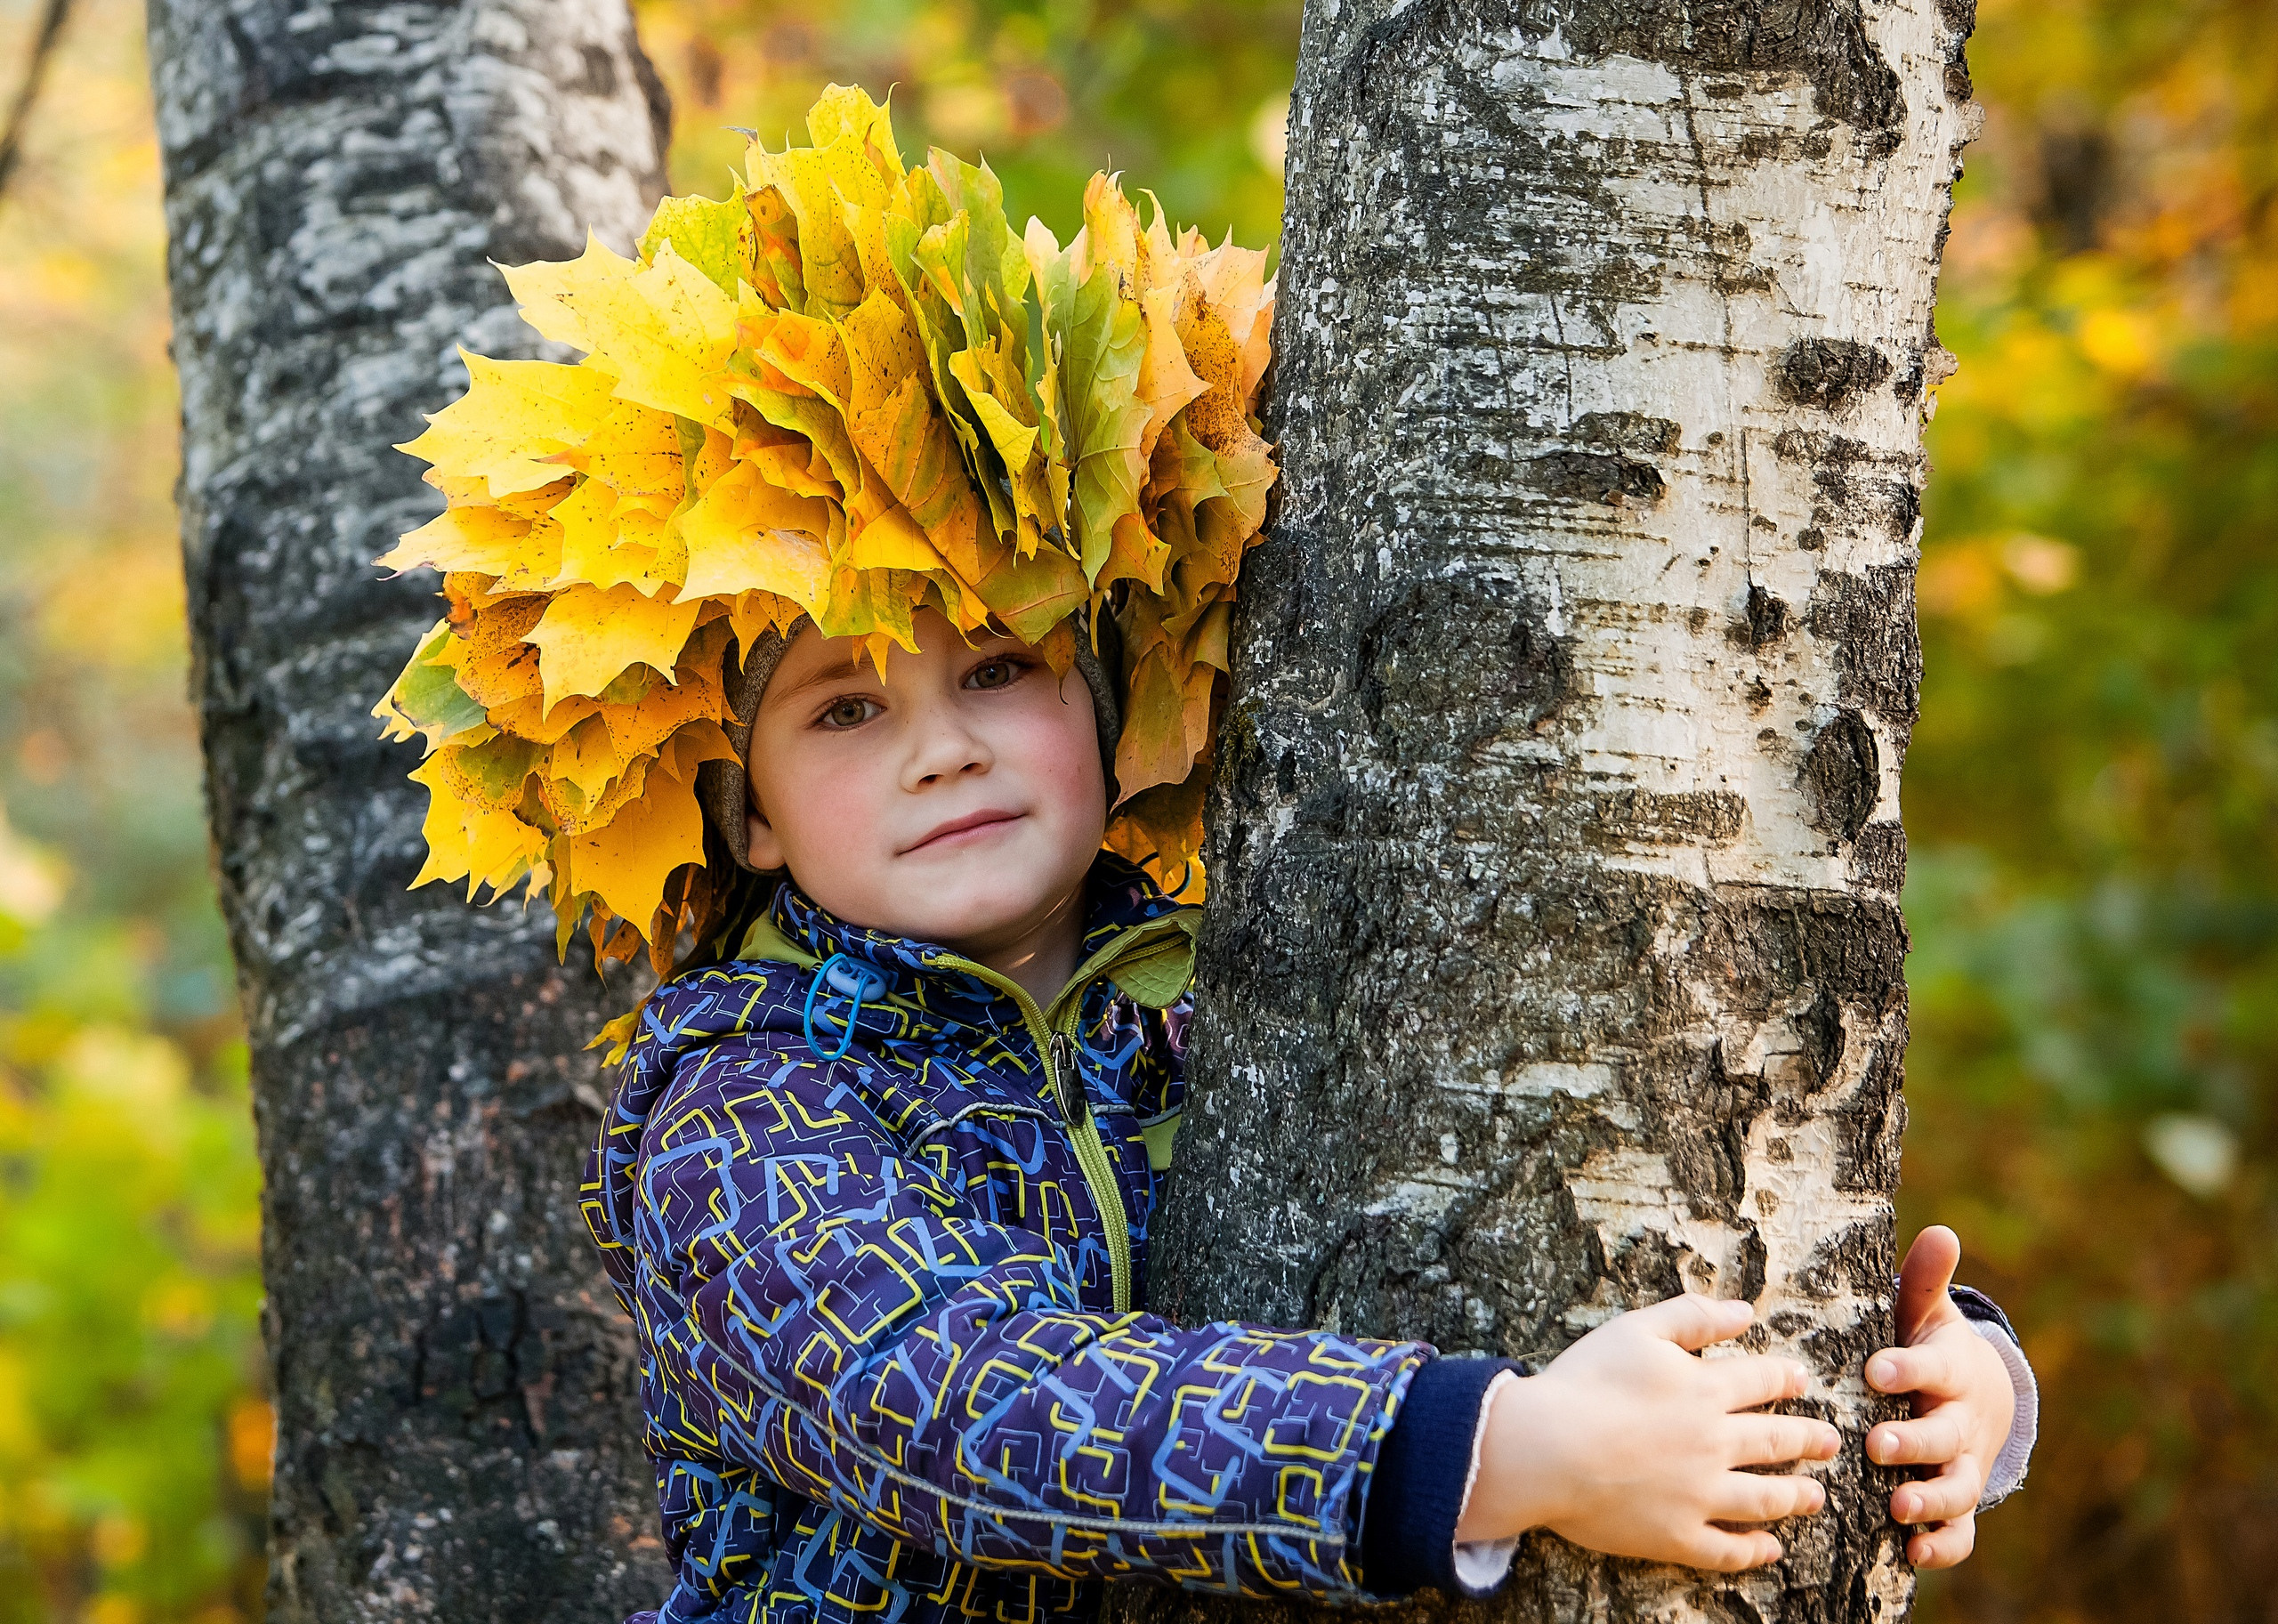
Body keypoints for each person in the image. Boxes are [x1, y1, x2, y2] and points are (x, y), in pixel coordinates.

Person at [579, 607, 2039, 1623]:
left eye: (1000, 665)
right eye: (845, 707)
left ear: (1107, 702)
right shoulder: (740, 1110)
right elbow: (946, 1406)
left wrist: (1922, 1389)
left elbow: (1538, 1179)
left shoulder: (1251, 987)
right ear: (745, 811)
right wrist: (1497, 1453)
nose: (943, 748)